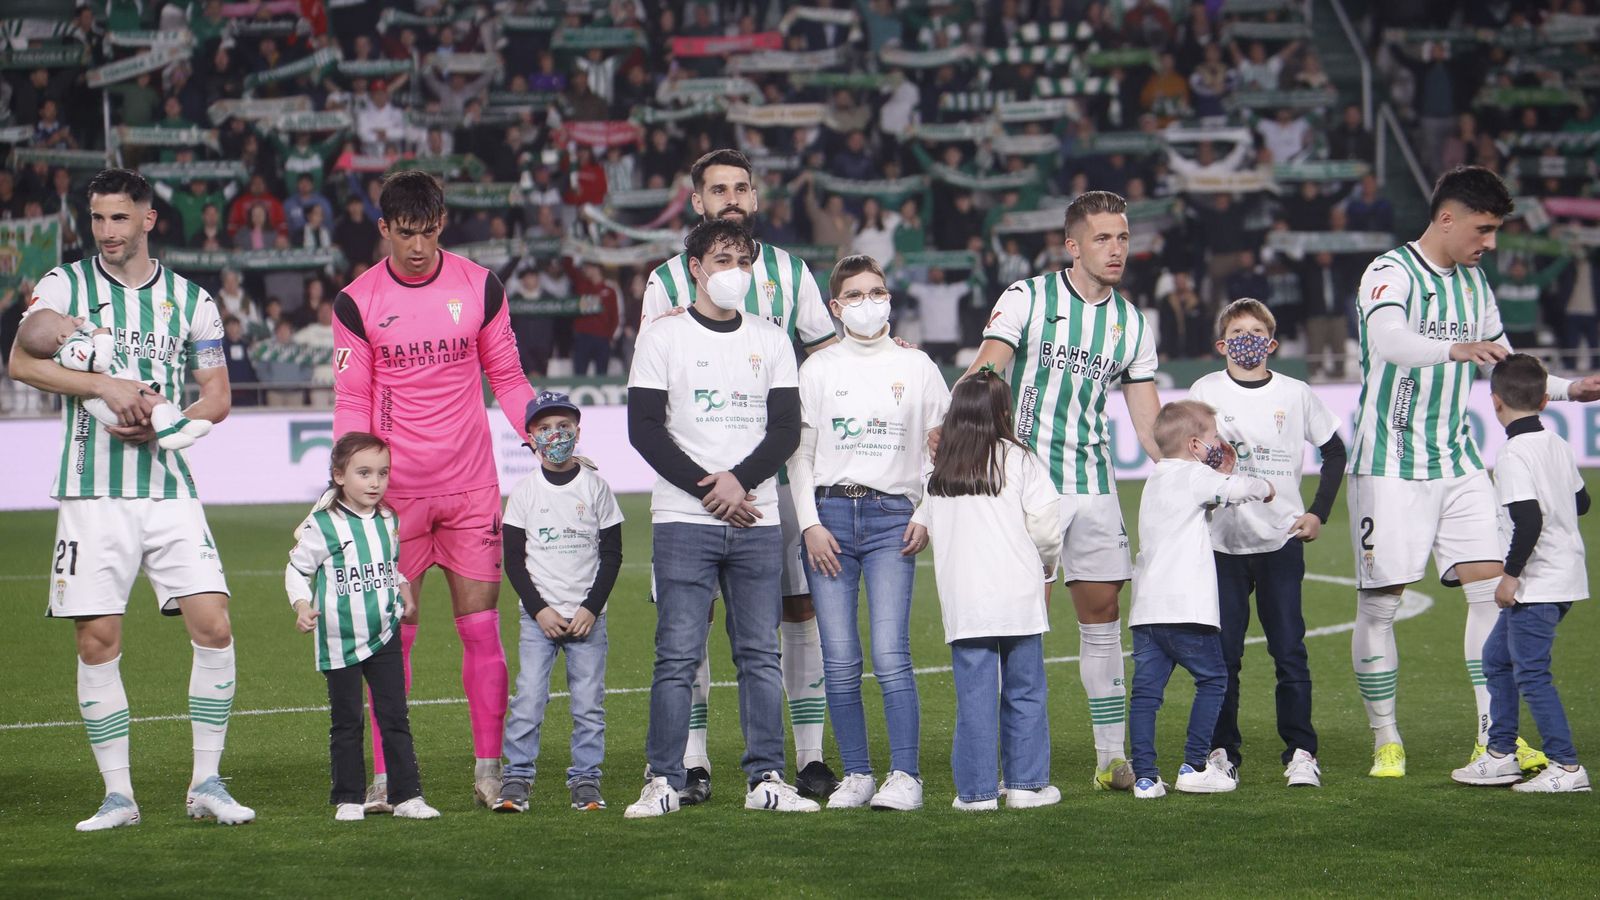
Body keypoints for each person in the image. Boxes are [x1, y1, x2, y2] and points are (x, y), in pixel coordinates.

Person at [7, 167, 252, 831]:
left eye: (120, 218)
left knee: (215, 625)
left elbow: (219, 395)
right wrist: (104, 386)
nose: (107, 232)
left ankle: (206, 782)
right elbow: (23, 357)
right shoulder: (68, 285)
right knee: (98, 640)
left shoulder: (192, 300)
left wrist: (173, 418)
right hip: (92, 492)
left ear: (149, 219)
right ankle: (118, 796)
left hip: (168, 488)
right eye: (97, 219)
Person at [1347, 166, 1600, 778]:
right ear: (1447, 218)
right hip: (1389, 462)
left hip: (1457, 460)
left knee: (1496, 594)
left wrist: (1568, 389)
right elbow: (1391, 342)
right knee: (1382, 604)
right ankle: (1387, 737)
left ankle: (1495, 741)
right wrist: (1455, 349)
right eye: (1483, 229)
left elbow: (1505, 360)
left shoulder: (1475, 284)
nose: (1489, 242)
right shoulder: (1389, 272)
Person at [638, 149, 841, 803]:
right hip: (692, 483)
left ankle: (801, 760)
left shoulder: (789, 272)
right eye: (717, 189)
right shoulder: (666, 282)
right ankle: (690, 764)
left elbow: (829, 356)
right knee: (687, 628)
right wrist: (713, 484)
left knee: (793, 612)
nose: (730, 197)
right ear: (697, 202)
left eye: (741, 188)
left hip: (775, 484)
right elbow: (654, 401)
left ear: (755, 198)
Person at [331, 170, 537, 809]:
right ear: (384, 230)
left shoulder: (480, 286)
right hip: (393, 500)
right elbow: (351, 402)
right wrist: (348, 486)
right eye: (404, 233)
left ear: (441, 223)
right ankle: (390, 775)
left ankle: (488, 772)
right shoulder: (356, 301)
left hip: (472, 488)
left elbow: (507, 376)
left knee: (482, 629)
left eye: (427, 231)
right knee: (393, 636)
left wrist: (542, 430)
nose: (416, 246)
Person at [966, 190, 1162, 791]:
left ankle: (1109, 758)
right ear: (1072, 245)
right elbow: (991, 364)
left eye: (1123, 238)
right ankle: (1008, 764)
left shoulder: (1131, 322)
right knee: (1021, 619)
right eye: (1102, 238)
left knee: (1103, 615)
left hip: (1095, 482)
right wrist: (959, 422)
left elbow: (1148, 422)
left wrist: (1190, 461)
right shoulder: (1028, 297)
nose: (1116, 249)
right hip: (1026, 481)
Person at [787, 255, 949, 811]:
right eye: (853, 295)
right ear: (835, 307)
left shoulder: (920, 366)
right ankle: (857, 773)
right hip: (829, 520)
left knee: (891, 652)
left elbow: (939, 450)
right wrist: (808, 522)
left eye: (875, 292)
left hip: (891, 522)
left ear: (889, 298)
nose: (866, 302)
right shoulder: (818, 370)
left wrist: (925, 512)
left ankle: (905, 775)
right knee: (839, 658)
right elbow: (800, 458)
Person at [1189, 299, 1346, 787]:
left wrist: (1318, 511)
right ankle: (1221, 753)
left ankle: (1301, 752)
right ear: (1222, 344)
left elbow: (1335, 451)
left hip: (1281, 540)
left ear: (1273, 343)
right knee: (1223, 657)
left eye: (1257, 331)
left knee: (1288, 652)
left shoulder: (1296, 393)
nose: (1247, 338)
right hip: (1221, 544)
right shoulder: (1204, 390)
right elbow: (1186, 453)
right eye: (1238, 331)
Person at [911, 368, 1062, 811]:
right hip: (1018, 595)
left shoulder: (941, 473)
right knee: (1026, 691)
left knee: (974, 697)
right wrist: (1048, 565)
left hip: (966, 602)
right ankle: (1026, 786)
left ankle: (976, 793)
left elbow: (932, 526)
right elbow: (1047, 530)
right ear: (1002, 412)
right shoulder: (1020, 460)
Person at [1451, 355, 1590, 792]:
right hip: (1564, 575)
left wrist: (1509, 577)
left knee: (1530, 672)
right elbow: (1581, 503)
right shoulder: (1558, 444)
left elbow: (1528, 521)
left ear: (1495, 403)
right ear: (1546, 400)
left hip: (1537, 582)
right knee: (1496, 660)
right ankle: (1500, 755)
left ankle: (1567, 767)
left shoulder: (1512, 454)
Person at [284, 433, 440, 821]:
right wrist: (302, 605)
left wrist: (404, 590)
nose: (375, 482)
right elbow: (296, 568)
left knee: (394, 716)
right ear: (339, 475)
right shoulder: (322, 525)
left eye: (382, 473)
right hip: (339, 639)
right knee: (347, 720)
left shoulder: (388, 519)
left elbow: (391, 566)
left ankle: (408, 797)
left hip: (384, 633)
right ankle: (348, 797)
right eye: (364, 473)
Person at [1128, 400, 1275, 799]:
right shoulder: (1195, 476)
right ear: (1195, 445)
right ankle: (1194, 765)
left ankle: (1145, 776)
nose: (1217, 443)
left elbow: (1203, 498)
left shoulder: (1157, 477)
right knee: (1213, 680)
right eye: (1212, 437)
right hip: (1187, 608)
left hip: (1147, 611)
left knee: (1145, 695)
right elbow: (1238, 489)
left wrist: (1217, 477)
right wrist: (1264, 486)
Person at [496, 392, 624, 813]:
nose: (556, 435)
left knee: (589, 705)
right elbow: (513, 561)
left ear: (578, 432)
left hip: (589, 619)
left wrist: (590, 607)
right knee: (529, 698)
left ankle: (586, 781)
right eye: (546, 428)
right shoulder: (525, 492)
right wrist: (540, 610)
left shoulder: (598, 488)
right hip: (540, 620)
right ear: (530, 437)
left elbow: (612, 554)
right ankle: (517, 778)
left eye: (565, 427)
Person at [17, 308, 214, 450]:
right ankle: (167, 435)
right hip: (105, 402)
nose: (68, 315)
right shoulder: (72, 351)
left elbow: (88, 333)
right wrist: (104, 336)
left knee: (157, 398)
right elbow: (99, 363)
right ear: (61, 337)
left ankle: (183, 424)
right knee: (155, 402)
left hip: (119, 388)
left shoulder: (73, 342)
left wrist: (84, 325)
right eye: (62, 316)